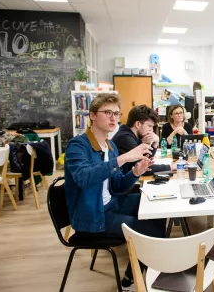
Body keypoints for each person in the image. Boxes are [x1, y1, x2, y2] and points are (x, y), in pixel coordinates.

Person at [64, 93, 167, 292]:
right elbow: (85, 178)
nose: (113, 118)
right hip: (94, 216)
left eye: (116, 114)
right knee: (149, 232)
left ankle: (138, 272)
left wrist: (136, 172)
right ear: (92, 115)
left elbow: (118, 186)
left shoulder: (110, 146)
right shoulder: (78, 145)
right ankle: (138, 278)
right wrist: (123, 159)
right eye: (108, 113)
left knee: (157, 208)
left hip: (111, 204)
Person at [112, 105, 177, 175]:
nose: (151, 130)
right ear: (138, 124)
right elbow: (143, 167)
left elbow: (147, 161)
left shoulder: (133, 136)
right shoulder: (125, 138)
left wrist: (155, 143)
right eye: (149, 126)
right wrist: (170, 167)